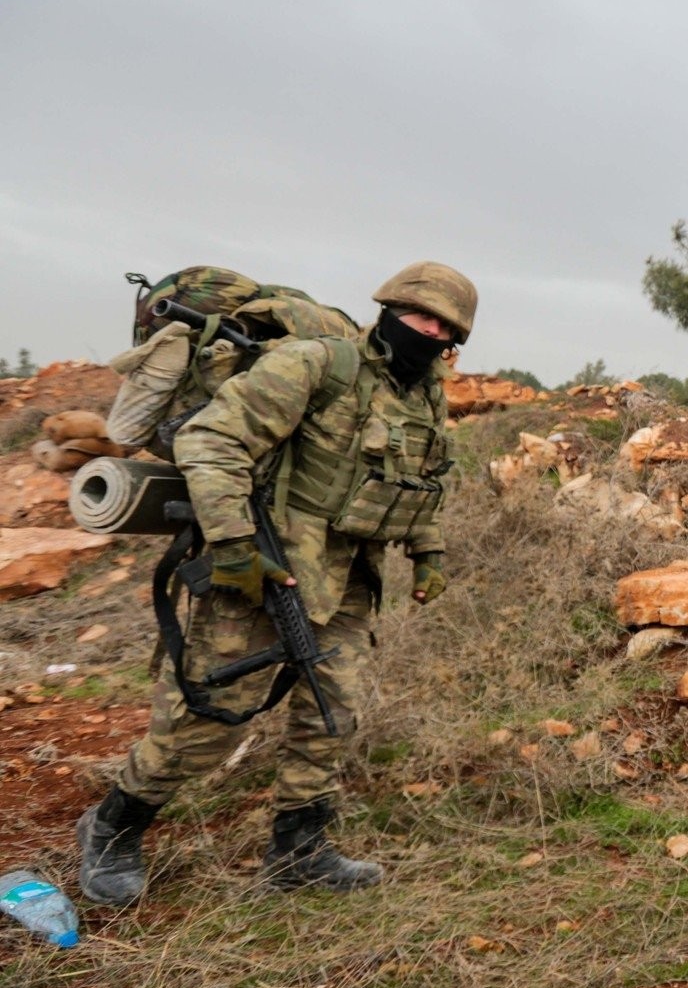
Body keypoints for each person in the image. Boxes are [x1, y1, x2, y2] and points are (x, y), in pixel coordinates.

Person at [76, 264, 474, 907]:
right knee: (209, 717)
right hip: (263, 564)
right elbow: (212, 438)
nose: (430, 331)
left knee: (330, 712)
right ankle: (113, 826)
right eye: (421, 316)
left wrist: (428, 551)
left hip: (348, 578)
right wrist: (234, 545)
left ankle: (300, 851)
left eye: (446, 327)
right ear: (389, 309)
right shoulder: (321, 364)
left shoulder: (424, 393)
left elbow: (424, 479)